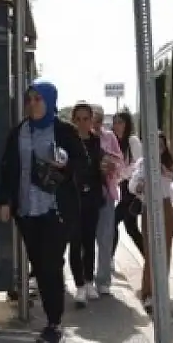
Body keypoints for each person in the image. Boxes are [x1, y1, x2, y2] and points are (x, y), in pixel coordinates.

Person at [0, 80, 90, 343]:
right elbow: (9, 168)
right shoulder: (19, 132)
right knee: (39, 265)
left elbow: (83, 164)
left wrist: (64, 165)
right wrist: (5, 200)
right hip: (26, 210)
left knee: (51, 264)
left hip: (55, 209)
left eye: (38, 99)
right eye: (30, 99)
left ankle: (54, 324)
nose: (33, 104)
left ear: (50, 101)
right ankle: (53, 319)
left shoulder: (63, 130)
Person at [128, 132, 173, 312]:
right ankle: (147, 293)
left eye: (161, 146)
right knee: (150, 252)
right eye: (154, 145)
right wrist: (140, 185)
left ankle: (161, 292)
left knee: (165, 251)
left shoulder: (170, 163)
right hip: (149, 207)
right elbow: (132, 186)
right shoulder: (143, 164)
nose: (158, 149)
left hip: (165, 207)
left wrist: (171, 175)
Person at [70, 103, 107, 306]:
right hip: (73, 198)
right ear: (74, 120)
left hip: (92, 197)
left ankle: (89, 280)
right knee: (75, 242)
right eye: (79, 119)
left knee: (89, 240)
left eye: (86, 119)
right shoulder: (69, 141)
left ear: (92, 120)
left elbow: (98, 167)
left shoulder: (95, 141)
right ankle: (79, 285)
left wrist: (104, 167)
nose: (83, 123)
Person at [92, 106, 124, 296]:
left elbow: (120, 161)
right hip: (86, 194)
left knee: (105, 237)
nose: (95, 124)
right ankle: (86, 279)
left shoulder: (109, 137)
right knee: (85, 239)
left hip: (106, 192)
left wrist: (111, 163)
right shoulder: (81, 137)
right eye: (92, 119)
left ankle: (103, 280)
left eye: (98, 120)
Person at [112, 111, 144, 258]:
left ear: (127, 124)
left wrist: (122, 173)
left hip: (133, 189)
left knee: (113, 222)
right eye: (115, 122)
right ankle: (149, 258)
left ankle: (108, 259)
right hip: (125, 188)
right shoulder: (117, 142)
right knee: (131, 228)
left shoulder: (133, 141)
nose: (117, 126)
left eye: (121, 122)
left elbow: (139, 164)